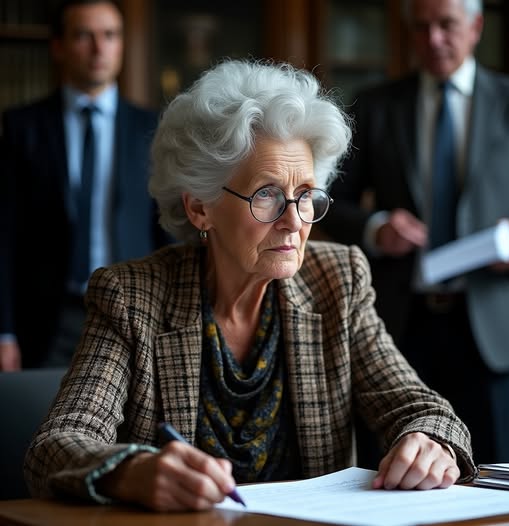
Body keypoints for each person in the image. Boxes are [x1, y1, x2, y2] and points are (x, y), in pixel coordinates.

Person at [24, 58, 477, 512]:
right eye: (266, 194)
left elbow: (421, 408)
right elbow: (56, 446)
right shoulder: (132, 297)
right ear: (199, 208)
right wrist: (130, 471)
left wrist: (430, 441)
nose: (293, 221)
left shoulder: (338, 280)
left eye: (305, 195)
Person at [320, 0, 509, 466]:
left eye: (446, 25)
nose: (433, 39)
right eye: (421, 27)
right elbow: (325, 200)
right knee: (396, 467)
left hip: (489, 327)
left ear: (475, 27)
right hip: (399, 324)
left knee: (491, 472)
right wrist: (375, 228)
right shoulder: (376, 104)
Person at [0, 0, 168, 370]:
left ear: (121, 44)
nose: (99, 48)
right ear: (58, 46)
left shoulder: (151, 128)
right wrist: (4, 331)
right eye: (83, 36)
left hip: (132, 310)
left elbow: (167, 229)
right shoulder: (22, 127)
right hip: (45, 318)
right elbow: (5, 235)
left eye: (110, 35)